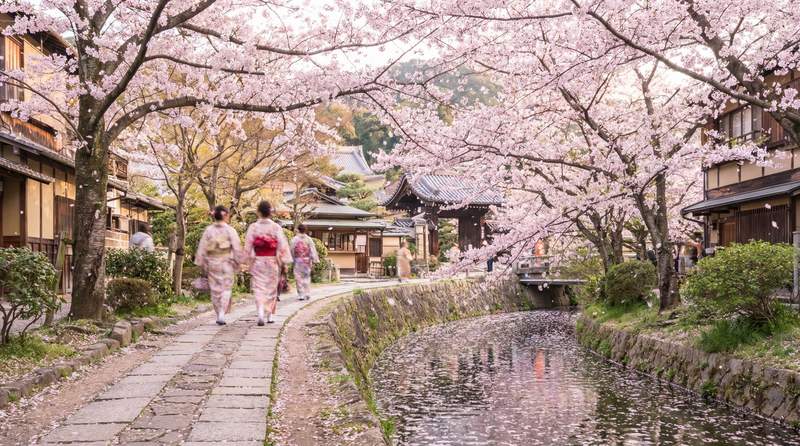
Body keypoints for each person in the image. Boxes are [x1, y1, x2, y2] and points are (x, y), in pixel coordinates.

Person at [244, 200, 292, 326]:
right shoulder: (276, 227)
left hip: (258, 261)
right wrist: (284, 260)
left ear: (258, 212)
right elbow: (282, 245)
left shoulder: (253, 227)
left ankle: (260, 312)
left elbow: (248, 246)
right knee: (271, 289)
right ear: (270, 212)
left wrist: (247, 260)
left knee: (259, 287)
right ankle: (270, 315)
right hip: (272, 261)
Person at [195, 206, 241, 325]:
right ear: (226, 215)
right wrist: (238, 261)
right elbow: (236, 248)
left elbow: (202, 248)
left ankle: (218, 313)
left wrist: (202, 262)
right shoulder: (230, 230)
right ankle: (222, 313)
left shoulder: (208, 230)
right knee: (226, 288)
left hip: (212, 263)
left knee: (215, 291)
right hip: (226, 262)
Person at [291, 224, 319, 301]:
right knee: (306, 277)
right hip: (307, 261)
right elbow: (312, 250)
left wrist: (292, 259)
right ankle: (307, 293)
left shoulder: (295, 239)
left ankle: (301, 294)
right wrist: (314, 260)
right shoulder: (309, 239)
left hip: (298, 260)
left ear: (298, 230)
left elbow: (292, 250)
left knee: (298, 278)